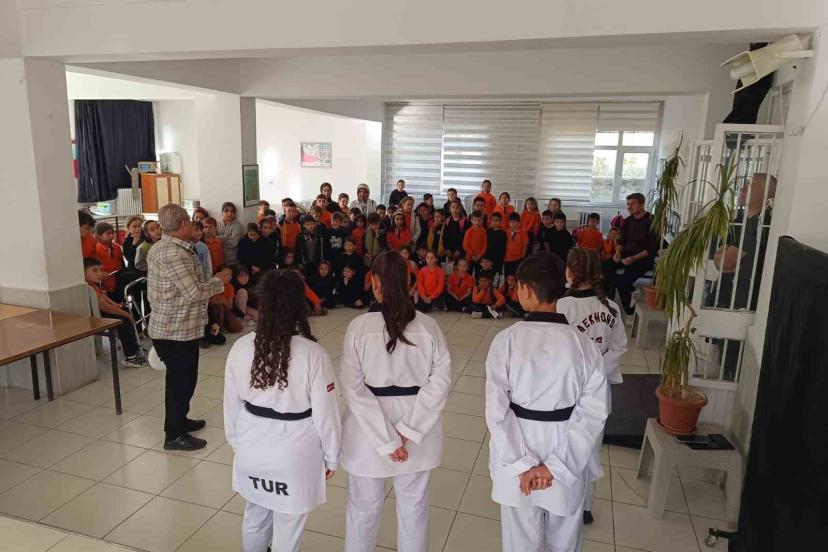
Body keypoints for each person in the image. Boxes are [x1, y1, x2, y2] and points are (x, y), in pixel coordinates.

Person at [485, 251, 609, 552]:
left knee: (520, 541)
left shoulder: (506, 341)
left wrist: (523, 465)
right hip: (567, 451)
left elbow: (497, 412)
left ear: (526, 290)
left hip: (516, 453)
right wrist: (555, 467)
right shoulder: (584, 346)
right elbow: (594, 413)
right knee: (564, 541)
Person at [339, 250, 452, 552]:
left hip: (367, 433)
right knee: (413, 509)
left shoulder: (358, 328)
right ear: (409, 282)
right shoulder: (428, 327)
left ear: (374, 282)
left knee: (362, 509)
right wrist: (408, 431)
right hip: (417, 432)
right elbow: (440, 384)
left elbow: (353, 389)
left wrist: (387, 439)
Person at [224, 270, 341, 552]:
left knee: (255, 517)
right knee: (288, 527)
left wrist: (238, 444)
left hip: (251, 451)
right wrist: (331, 457)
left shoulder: (240, 347)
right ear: (298, 305)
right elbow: (327, 415)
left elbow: (231, 406)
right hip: (294, 456)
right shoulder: (313, 354)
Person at [147, 203, 231, 451]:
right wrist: (219, 281)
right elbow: (194, 291)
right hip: (174, 331)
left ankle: (180, 420)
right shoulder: (174, 253)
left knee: (186, 379)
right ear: (183, 224)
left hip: (182, 327)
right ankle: (174, 435)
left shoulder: (168, 247)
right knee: (179, 383)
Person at [557, 247, 627, 526]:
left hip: (567, 390)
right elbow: (620, 347)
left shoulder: (561, 307)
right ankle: (585, 507)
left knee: (564, 445)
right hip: (598, 392)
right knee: (590, 449)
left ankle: (566, 501)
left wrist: (583, 373)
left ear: (569, 272)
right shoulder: (611, 308)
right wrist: (598, 370)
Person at [602, 193, 658, 315]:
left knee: (623, 282)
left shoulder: (652, 220)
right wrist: (617, 252)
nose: (629, 207)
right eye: (628, 204)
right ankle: (629, 291)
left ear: (642, 205)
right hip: (626, 255)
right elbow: (622, 241)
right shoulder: (628, 220)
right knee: (604, 267)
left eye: (633, 204)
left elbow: (652, 248)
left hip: (643, 259)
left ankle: (629, 311)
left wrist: (633, 258)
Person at [83, 257, 144, 368]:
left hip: (100, 313)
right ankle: (131, 356)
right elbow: (104, 306)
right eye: (95, 271)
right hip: (96, 317)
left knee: (125, 311)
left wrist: (115, 305)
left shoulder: (94, 284)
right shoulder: (88, 288)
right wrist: (125, 314)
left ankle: (134, 346)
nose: (99, 274)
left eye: (101, 270)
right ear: (83, 272)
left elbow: (103, 296)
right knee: (124, 320)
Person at [207, 265, 242, 340]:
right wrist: (213, 301)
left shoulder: (230, 287)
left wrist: (224, 301)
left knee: (238, 327)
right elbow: (205, 302)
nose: (228, 277)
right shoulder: (212, 285)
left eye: (230, 275)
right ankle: (216, 329)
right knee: (218, 306)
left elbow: (230, 307)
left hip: (225, 311)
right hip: (211, 312)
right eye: (225, 274)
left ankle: (222, 325)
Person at [95, 221, 126, 300]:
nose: (112, 236)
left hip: (119, 280)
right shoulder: (96, 249)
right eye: (108, 234)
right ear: (98, 236)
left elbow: (122, 262)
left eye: (112, 233)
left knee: (121, 300)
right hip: (106, 283)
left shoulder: (117, 246)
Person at [503, 213, 528, 277]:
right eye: (510, 222)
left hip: (518, 258)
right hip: (507, 258)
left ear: (519, 222)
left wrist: (523, 256)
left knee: (516, 276)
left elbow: (525, 245)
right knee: (507, 276)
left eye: (514, 222)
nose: (512, 224)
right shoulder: (506, 232)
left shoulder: (523, 232)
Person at [485, 213, 507, 280]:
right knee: (488, 273)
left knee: (497, 274)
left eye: (496, 220)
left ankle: (496, 285)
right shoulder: (488, 231)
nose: (494, 222)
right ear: (490, 221)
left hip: (498, 257)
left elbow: (503, 247)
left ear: (500, 221)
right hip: (489, 256)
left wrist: (502, 257)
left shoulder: (503, 233)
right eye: (493, 220)